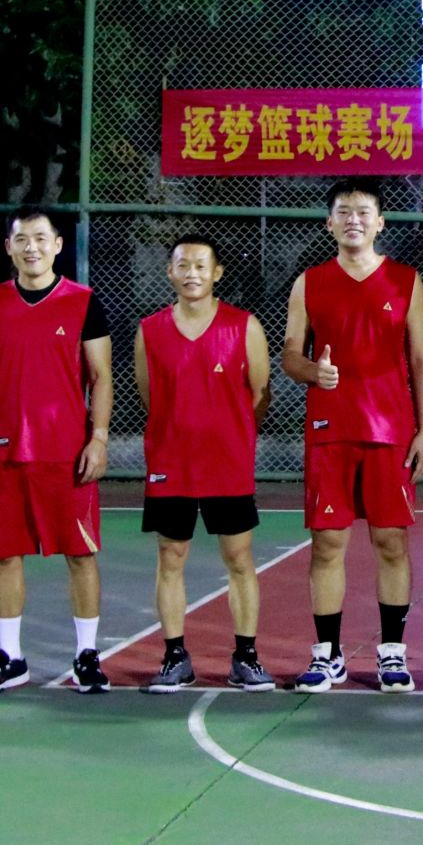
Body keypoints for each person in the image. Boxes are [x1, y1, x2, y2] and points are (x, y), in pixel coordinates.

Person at [281, 179, 423, 692]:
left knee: (391, 540)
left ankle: (392, 652)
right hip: (330, 431)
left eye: (363, 211)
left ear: (380, 222)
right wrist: (313, 371)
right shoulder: (309, 283)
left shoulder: (406, 281)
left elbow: (421, 361)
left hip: (390, 432)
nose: (354, 219)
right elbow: (290, 354)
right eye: (344, 212)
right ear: (329, 223)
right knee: (328, 542)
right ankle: (328, 655)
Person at [0, 205, 115, 696]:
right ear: (9, 247)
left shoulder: (84, 302)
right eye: (22, 239)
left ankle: (86, 656)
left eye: (41, 238)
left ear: (58, 245)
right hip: (4, 452)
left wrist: (99, 437)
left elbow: (101, 376)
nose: (32, 247)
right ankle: (10, 658)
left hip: (67, 452)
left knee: (80, 554)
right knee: (5, 555)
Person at [134, 236, 276, 693]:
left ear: (217, 273)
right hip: (171, 460)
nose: (191, 273)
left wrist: (229, 431)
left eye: (200, 265)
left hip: (227, 462)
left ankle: (246, 657)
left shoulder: (244, 326)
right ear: (170, 272)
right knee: (170, 556)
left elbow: (260, 393)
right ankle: (175, 656)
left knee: (239, 557)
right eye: (182, 265)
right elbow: (149, 394)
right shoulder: (149, 330)